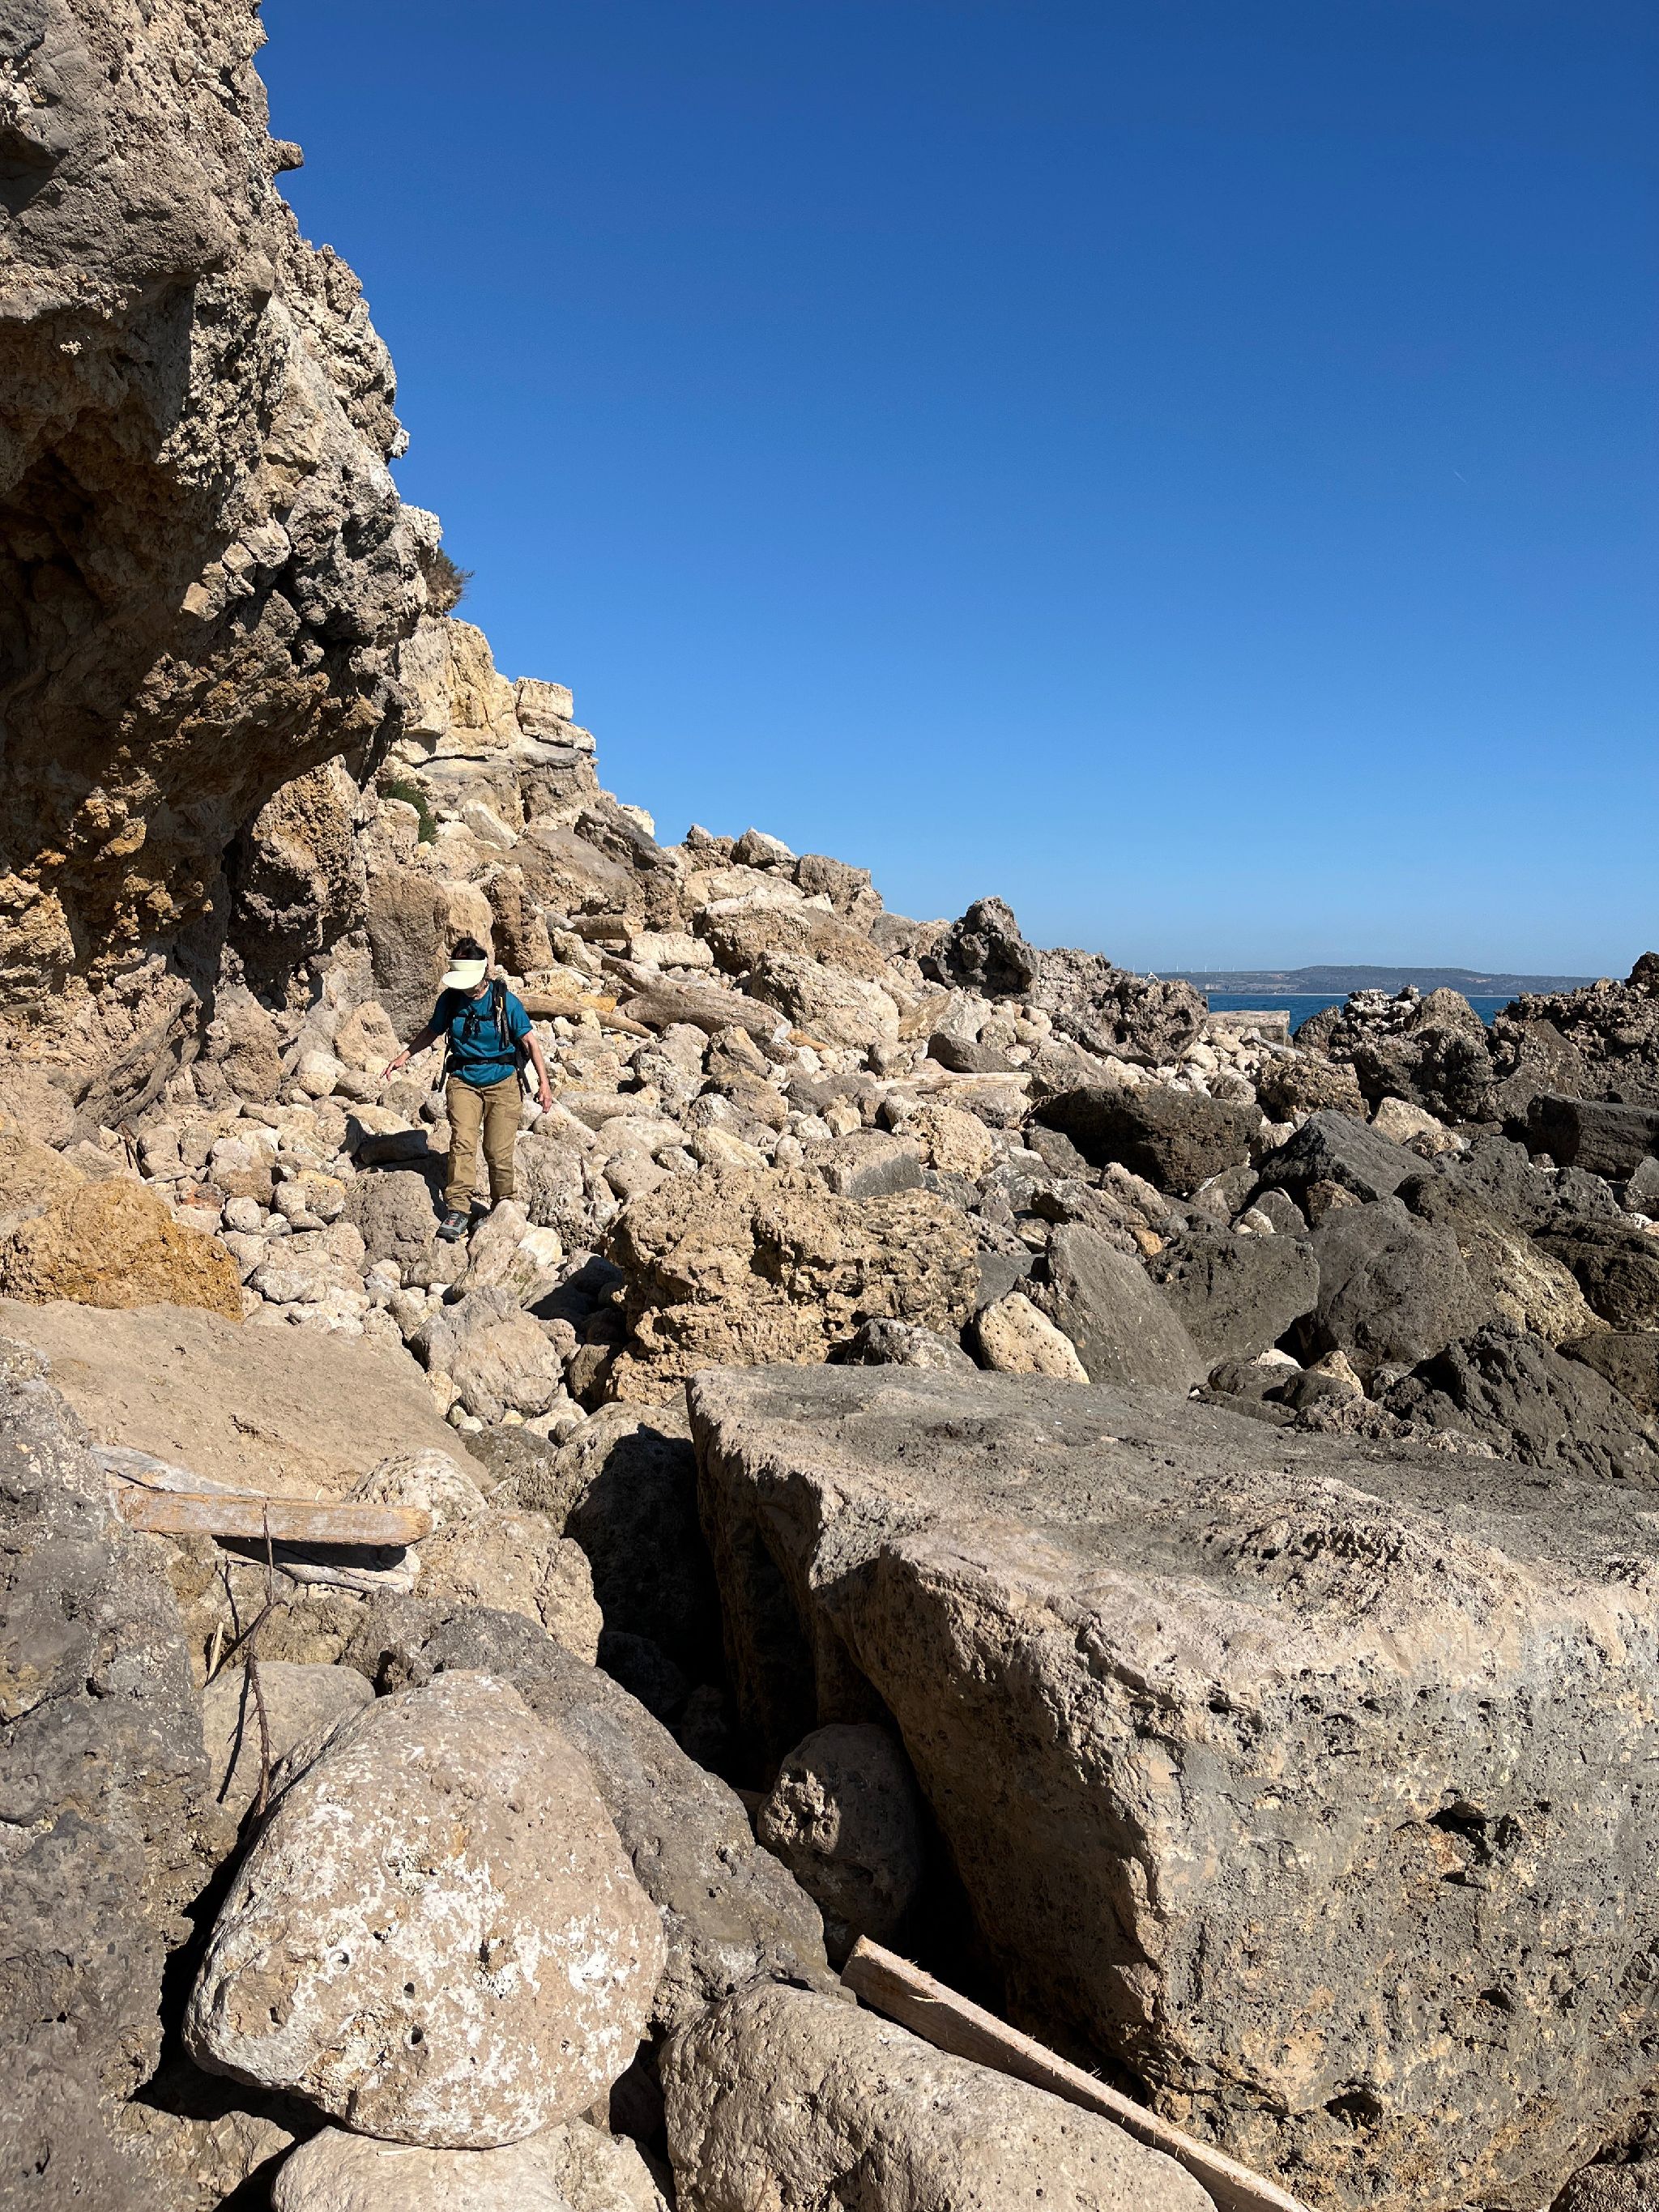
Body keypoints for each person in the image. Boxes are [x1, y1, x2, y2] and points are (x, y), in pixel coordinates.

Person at [384, 938, 553, 1241]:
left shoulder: (505, 1001)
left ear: (483, 973)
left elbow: (530, 1041)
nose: (465, 989)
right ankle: (458, 1210)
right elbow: (432, 1031)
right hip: (463, 1080)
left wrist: (544, 1083)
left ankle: (503, 1206)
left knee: (497, 1150)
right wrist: (404, 1056)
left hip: (503, 1082)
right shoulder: (450, 1001)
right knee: (462, 1141)